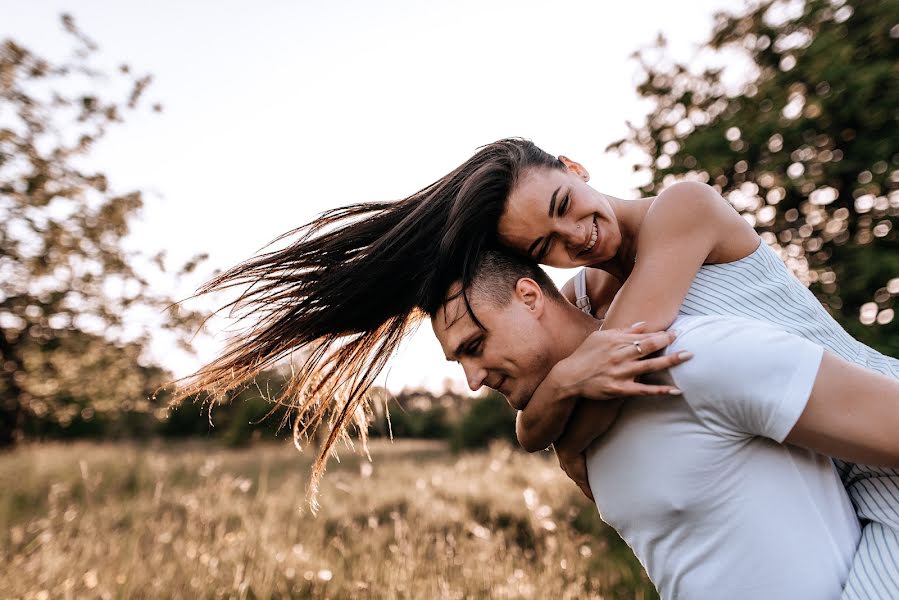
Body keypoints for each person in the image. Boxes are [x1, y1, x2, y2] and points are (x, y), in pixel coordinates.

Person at [178, 138, 898, 594]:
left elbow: (609, 373)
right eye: (547, 242)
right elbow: (553, 428)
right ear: (536, 271)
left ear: (576, 166)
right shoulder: (588, 292)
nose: (575, 236)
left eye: (564, 202)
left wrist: (553, 407)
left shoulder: (681, 210)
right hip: (836, 457)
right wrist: (554, 405)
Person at [429, 248, 899, 599]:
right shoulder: (573, 428)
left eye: (474, 346)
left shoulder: (694, 357)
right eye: (459, 362)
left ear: (529, 297)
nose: (472, 380)